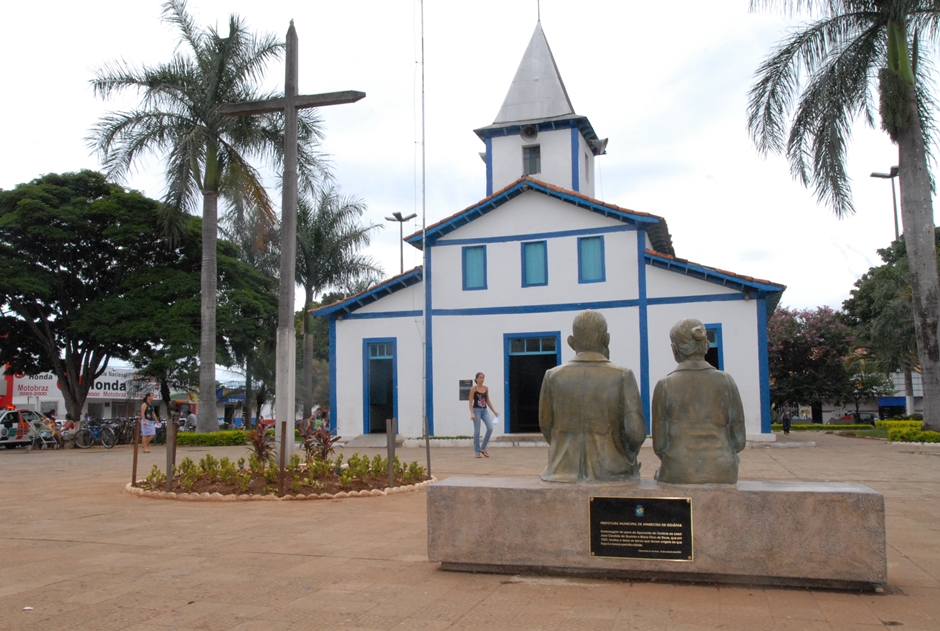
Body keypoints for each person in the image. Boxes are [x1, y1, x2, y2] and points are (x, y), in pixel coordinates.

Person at [539, 310, 647, 483]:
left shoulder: (553, 376)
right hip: (613, 471)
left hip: (560, 471)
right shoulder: (622, 375)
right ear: (607, 339)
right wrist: (627, 457)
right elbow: (636, 433)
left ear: (571, 342)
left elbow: (546, 425)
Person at [652, 318, 746, 485]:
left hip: (678, 470)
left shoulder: (665, 385)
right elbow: (739, 441)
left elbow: (659, 445)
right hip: (723, 470)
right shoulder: (726, 381)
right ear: (706, 346)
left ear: (674, 350)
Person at [469, 372, 498, 458]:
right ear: (476, 379)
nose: (482, 379)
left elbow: (487, 400)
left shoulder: (486, 388)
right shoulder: (473, 389)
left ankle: (483, 448)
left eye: (483, 377)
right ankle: (477, 451)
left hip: (484, 410)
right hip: (476, 410)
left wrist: (494, 411)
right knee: (477, 432)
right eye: (480, 377)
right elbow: (470, 402)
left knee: (490, 428)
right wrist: (472, 413)